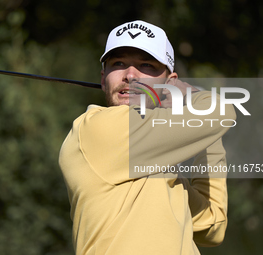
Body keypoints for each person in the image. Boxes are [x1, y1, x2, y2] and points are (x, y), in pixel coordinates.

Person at [59, 20, 236, 255]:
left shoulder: (160, 165)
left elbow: (212, 226)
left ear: (169, 82)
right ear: (103, 79)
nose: (130, 75)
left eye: (146, 65)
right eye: (118, 63)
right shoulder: (97, 128)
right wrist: (193, 98)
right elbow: (223, 112)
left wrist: (207, 135)